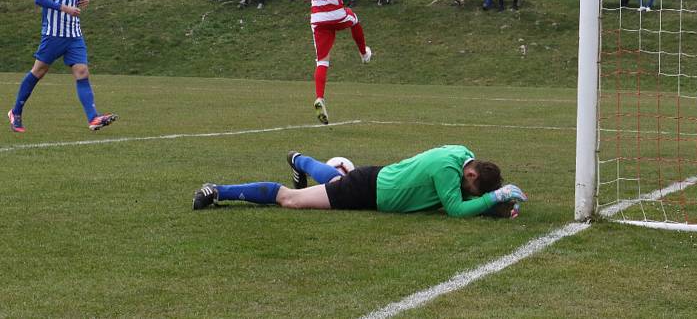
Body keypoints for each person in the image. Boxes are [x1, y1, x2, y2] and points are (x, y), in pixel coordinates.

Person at [192, 145, 527, 220]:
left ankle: (299, 160)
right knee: (289, 199)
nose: (467, 191)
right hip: (368, 190)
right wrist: (494, 197)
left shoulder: (462, 155)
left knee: (338, 178)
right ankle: (218, 189)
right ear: (471, 174)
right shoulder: (447, 171)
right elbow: (454, 208)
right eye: (473, 187)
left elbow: (463, 198)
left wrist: (496, 209)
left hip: (374, 181)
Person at [7, 0, 118, 134]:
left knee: (82, 72)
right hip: (54, 33)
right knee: (38, 72)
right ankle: (15, 112)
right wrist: (64, 8)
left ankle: (93, 118)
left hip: (74, 33)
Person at [297, 0, 372, 124]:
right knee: (354, 19)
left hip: (317, 19)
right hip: (334, 13)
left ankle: (319, 98)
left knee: (322, 61)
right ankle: (364, 54)